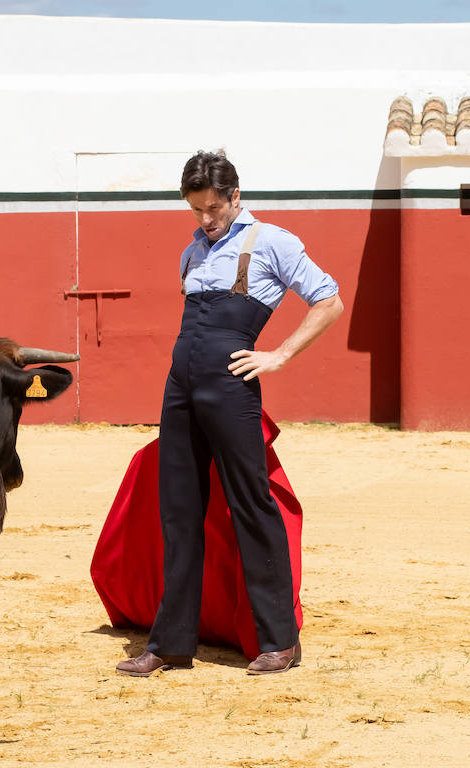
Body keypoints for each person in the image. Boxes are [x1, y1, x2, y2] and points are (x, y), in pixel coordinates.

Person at [116, 150, 344, 677]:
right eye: (197, 210)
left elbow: (328, 300)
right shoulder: (190, 254)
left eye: (214, 208)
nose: (206, 219)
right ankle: (172, 642)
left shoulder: (271, 242)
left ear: (235, 196)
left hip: (232, 387)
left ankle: (280, 640)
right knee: (177, 511)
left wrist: (278, 356)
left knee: (249, 504)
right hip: (181, 389)